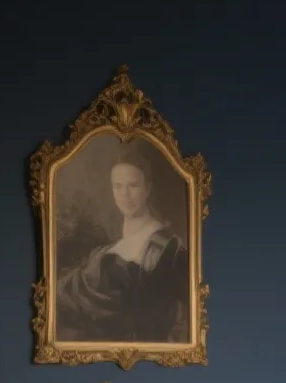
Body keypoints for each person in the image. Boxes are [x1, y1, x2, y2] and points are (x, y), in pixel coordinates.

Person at [55, 146, 190, 343]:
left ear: (147, 188)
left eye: (133, 186)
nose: (124, 194)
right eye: (117, 186)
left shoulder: (168, 248)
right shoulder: (108, 249)